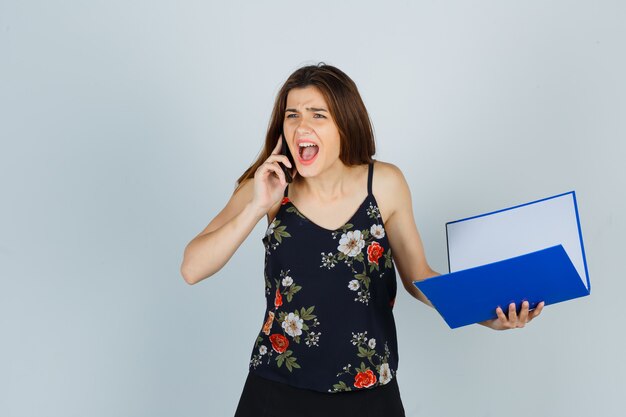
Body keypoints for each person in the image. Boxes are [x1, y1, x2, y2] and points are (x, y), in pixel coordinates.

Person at [180, 63, 545, 417]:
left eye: (317, 114)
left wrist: (485, 314)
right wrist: (257, 205)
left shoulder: (384, 184)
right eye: (292, 115)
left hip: (369, 395)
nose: (301, 125)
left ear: (345, 123)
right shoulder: (269, 186)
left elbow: (419, 278)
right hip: (276, 390)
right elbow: (192, 269)